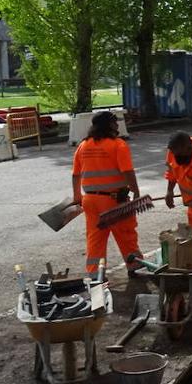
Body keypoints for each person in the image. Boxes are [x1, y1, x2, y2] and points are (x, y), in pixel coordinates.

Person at [71, 111, 143, 277]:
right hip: (114, 200)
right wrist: (136, 192)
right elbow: (127, 172)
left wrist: (77, 197)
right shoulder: (117, 144)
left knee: (95, 238)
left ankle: (95, 274)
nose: (117, 125)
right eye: (114, 122)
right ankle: (134, 266)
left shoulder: (83, 145)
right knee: (126, 234)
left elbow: (75, 174)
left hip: (90, 200)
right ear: (109, 125)